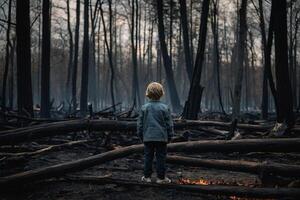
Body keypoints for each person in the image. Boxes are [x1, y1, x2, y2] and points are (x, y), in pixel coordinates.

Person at [137, 82, 174, 184]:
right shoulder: (165, 108)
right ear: (161, 93)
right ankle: (161, 178)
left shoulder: (144, 108)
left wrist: (141, 136)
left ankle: (147, 177)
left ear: (148, 93)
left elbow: (140, 125)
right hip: (161, 137)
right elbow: (169, 125)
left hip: (148, 137)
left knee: (148, 157)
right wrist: (170, 136)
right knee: (161, 157)